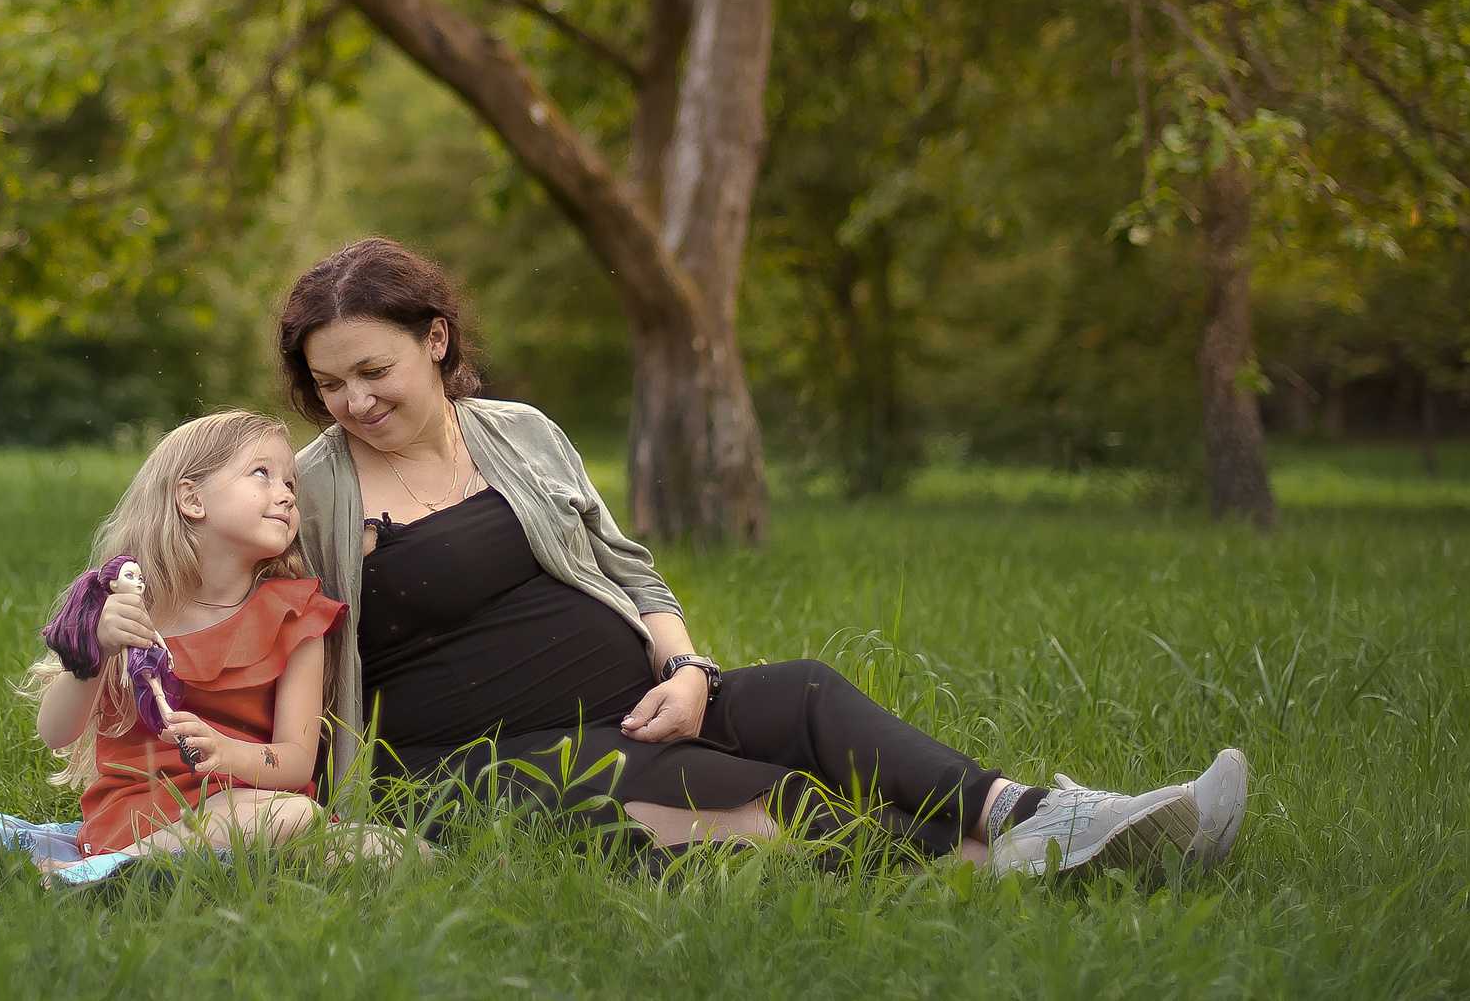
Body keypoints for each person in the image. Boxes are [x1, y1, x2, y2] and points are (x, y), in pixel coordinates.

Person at [281, 237, 1251, 876]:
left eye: (374, 370)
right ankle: (1045, 860)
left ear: (436, 338)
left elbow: (629, 568)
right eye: (330, 383)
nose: (355, 401)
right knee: (769, 802)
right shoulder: (312, 490)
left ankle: (1033, 815)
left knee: (804, 693)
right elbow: (236, 611)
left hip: (631, 704)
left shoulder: (518, 432)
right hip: (476, 761)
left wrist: (686, 670)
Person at [24, 410, 382, 871]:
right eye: (262, 474)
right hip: (144, 814)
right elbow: (55, 733)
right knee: (295, 816)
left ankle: (171, 864)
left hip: (255, 805)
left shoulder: (296, 614)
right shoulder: (130, 608)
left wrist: (228, 752)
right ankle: (104, 868)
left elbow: (295, 762)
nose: (287, 495)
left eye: (290, 483)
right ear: (192, 499)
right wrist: (96, 650)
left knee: (406, 853)